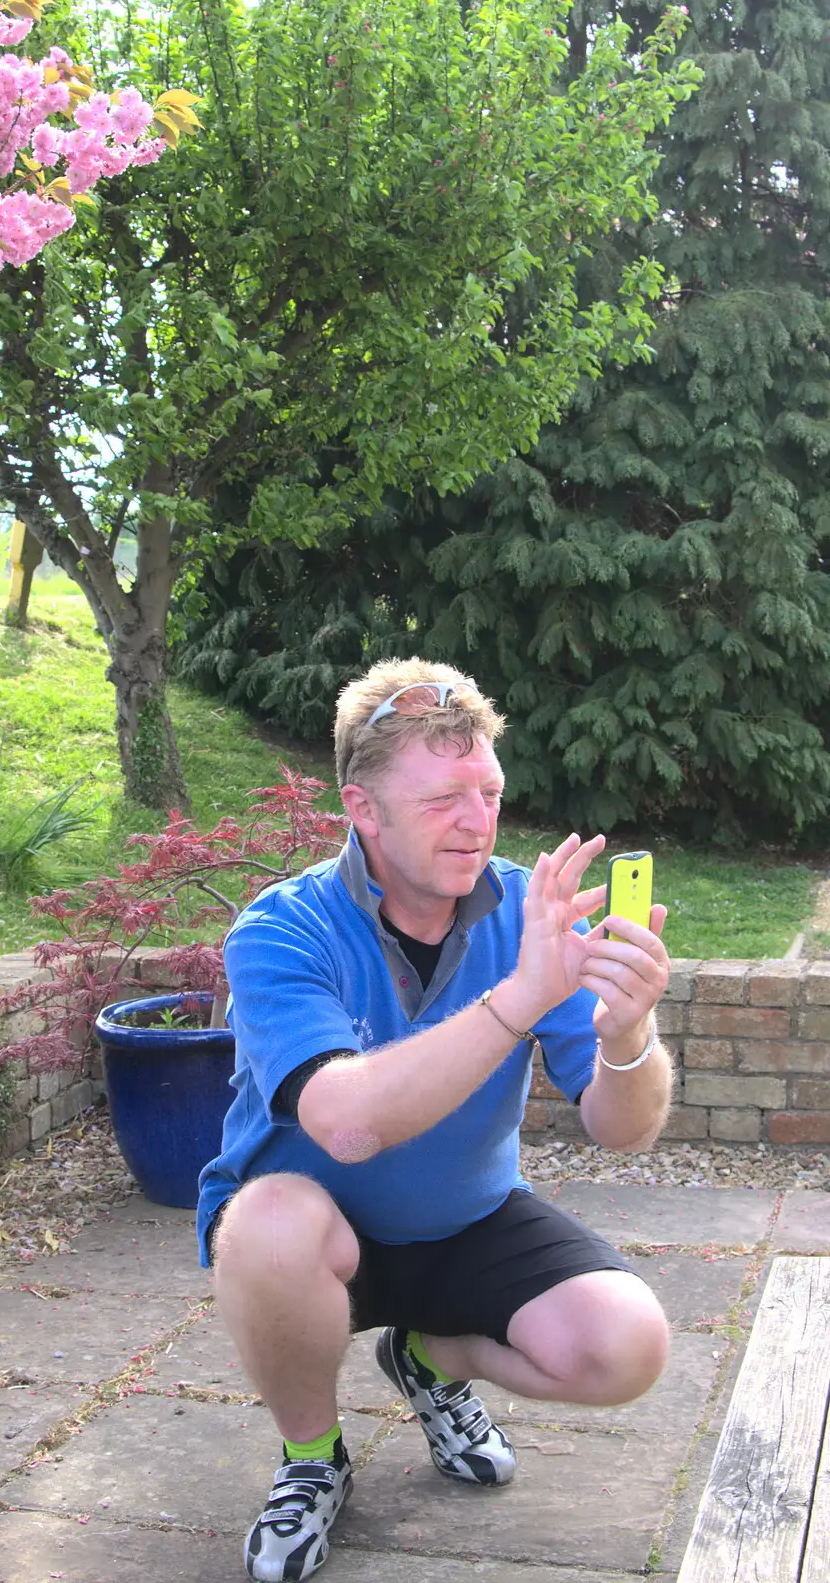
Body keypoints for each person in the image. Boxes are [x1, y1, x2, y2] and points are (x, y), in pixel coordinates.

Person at [197, 657, 673, 1583]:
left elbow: (625, 1130)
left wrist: (628, 1036)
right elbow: (346, 1125)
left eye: (488, 792)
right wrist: (520, 998)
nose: (477, 819)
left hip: (466, 1217)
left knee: (627, 1347)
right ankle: (312, 1458)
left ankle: (429, 1356)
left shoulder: (531, 918)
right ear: (363, 809)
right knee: (266, 1224)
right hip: (315, 1231)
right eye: (444, 797)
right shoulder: (281, 930)